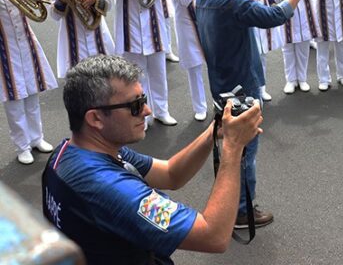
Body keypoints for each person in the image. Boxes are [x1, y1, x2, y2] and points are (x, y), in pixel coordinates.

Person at [42, 55, 265, 263]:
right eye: (135, 105)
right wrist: (233, 148)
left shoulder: (68, 154)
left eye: (144, 99)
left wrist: (212, 133)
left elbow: (170, 174)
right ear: (96, 118)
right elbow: (213, 235)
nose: (147, 111)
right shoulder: (110, 188)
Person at [196, 0, 318, 229]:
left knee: (228, 149)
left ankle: (228, 202)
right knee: (245, 153)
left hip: (221, 84)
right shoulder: (233, 3)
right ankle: (241, 211)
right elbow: (277, 14)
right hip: (242, 88)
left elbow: (229, 14)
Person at [104, 0, 175, 127]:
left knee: (158, 73)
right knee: (136, 76)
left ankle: (162, 111)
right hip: (130, 27)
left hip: (154, 25)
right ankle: (141, 116)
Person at [0, 0, 56, 165]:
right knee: (14, 98)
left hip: (27, 44)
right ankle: (22, 145)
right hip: (4, 49)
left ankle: (37, 138)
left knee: (32, 92)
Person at [164, 0, 208, 121]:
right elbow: (183, 0)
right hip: (187, 24)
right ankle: (200, 106)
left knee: (215, 63)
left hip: (206, 20)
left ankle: (222, 100)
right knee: (194, 67)